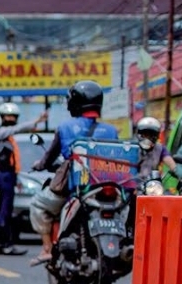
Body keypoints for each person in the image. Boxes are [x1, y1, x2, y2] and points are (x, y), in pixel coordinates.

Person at [29, 80, 120, 266]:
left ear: (74, 103)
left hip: (77, 188)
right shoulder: (111, 131)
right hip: (107, 186)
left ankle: (47, 248)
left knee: (38, 205)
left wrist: (39, 165)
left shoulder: (64, 128)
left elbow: (49, 157)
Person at [0, 103, 48, 256]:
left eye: (13, 117)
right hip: (4, 175)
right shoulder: (2, 132)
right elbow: (16, 129)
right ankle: (4, 244)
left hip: (8, 175)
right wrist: (35, 122)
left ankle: (1, 243)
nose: (11, 119)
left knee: (5, 210)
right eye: (8, 116)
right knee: (5, 211)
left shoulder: (7, 137)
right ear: (2, 117)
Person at [135, 116, 178, 192]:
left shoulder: (160, 148)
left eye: (151, 135)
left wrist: (180, 174)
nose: (147, 138)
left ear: (156, 136)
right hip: (131, 184)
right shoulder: (131, 147)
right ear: (139, 134)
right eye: (144, 134)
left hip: (151, 185)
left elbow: (172, 164)